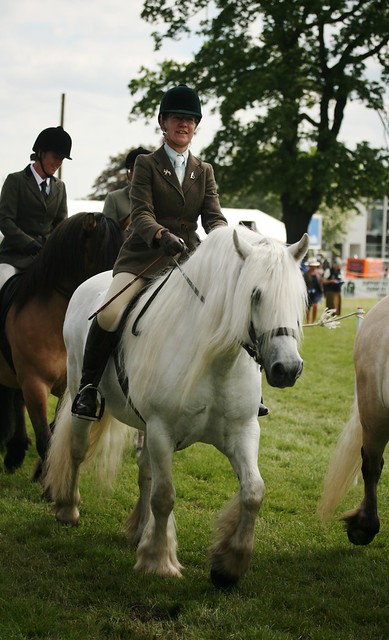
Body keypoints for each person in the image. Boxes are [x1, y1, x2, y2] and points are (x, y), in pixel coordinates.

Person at [72, 83, 267, 421]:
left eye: (190, 119)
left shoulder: (203, 170)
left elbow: (214, 217)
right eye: (177, 118)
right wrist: (160, 233)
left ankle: (250, 393)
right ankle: (88, 388)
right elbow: (142, 212)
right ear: (163, 122)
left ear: (196, 126)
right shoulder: (147, 164)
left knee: (232, 308)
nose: (184, 124)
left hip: (190, 259)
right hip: (143, 257)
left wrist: (222, 242)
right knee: (108, 313)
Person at [0, 126, 72, 289]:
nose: (58, 163)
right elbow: (5, 220)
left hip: (45, 258)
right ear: (40, 153)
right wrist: (28, 244)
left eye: (62, 159)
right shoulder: (15, 180)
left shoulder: (60, 187)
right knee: (2, 279)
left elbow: (61, 224)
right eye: (56, 157)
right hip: (15, 256)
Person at [102, 147, 151, 231]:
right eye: (133, 170)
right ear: (128, 174)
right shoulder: (114, 199)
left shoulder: (164, 197)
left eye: (142, 170)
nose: (137, 174)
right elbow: (108, 234)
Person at [304, 258, 323, 324]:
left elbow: (320, 282)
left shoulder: (318, 273)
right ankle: (307, 321)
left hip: (316, 292)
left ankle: (313, 321)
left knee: (315, 306)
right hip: (308, 292)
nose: (313, 267)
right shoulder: (306, 274)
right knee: (308, 308)